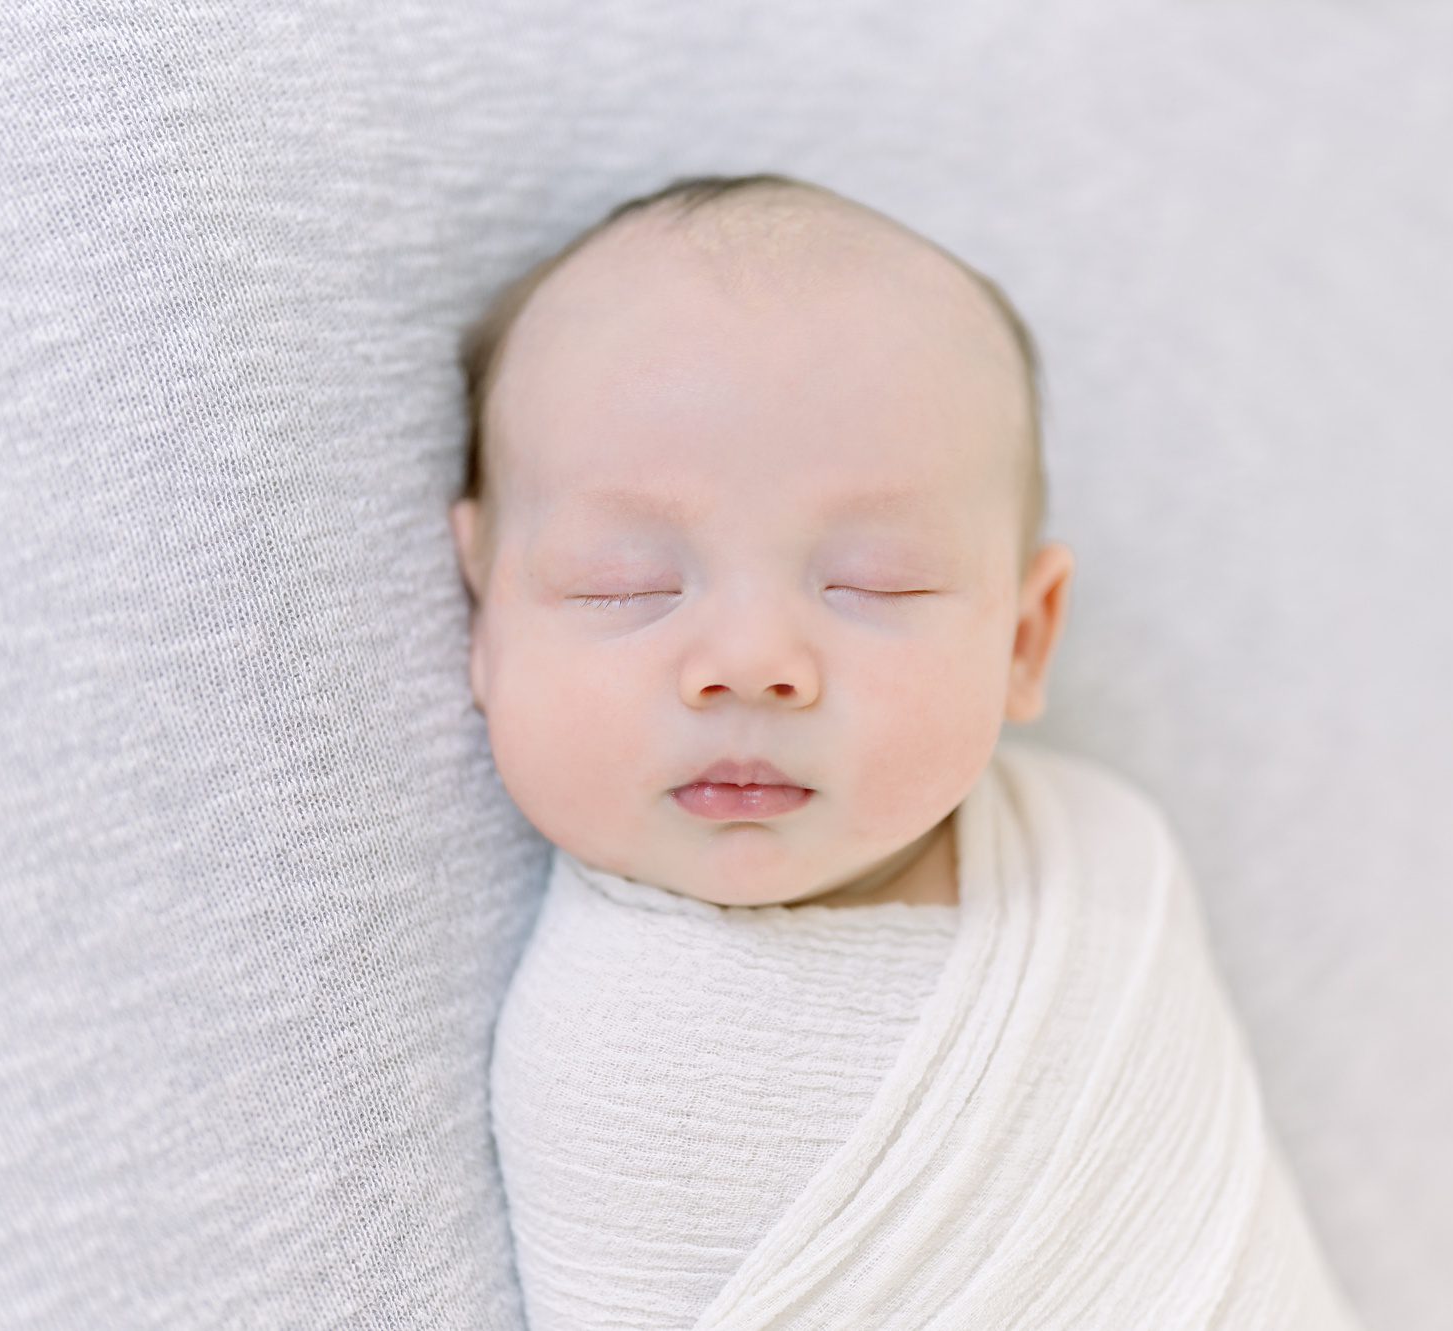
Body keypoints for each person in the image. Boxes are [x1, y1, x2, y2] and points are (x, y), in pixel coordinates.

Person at [448, 173, 1363, 1329]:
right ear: (481, 610)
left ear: (1024, 638)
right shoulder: (608, 1065)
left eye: (871, 582)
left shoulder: (1102, 854)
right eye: (621, 583)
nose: (746, 660)